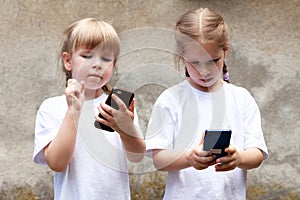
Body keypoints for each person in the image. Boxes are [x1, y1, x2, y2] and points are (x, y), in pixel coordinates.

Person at [145, 8, 268, 200]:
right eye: (194, 62)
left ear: (225, 51)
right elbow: (159, 159)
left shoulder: (241, 98)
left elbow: (257, 153)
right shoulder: (170, 99)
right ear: (181, 57)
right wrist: (189, 158)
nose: (204, 71)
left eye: (213, 61)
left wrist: (238, 158)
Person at [33, 18, 145, 200]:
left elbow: (137, 157)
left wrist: (125, 128)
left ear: (114, 64)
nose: (97, 64)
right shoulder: (52, 108)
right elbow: (57, 163)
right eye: (87, 56)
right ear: (68, 61)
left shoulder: (118, 106)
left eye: (106, 58)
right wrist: (73, 112)